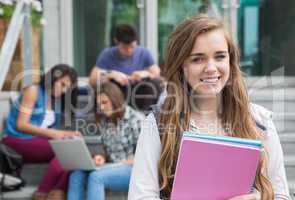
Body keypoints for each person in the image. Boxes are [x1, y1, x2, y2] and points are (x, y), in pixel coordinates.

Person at [128, 14, 291, 200]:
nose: (211, 68)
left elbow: (281, 195)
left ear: (230, 61)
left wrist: (257, 198)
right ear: (182, 66)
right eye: (198, 59)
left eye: (220, 56)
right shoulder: (158, 125)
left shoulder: (260, 121)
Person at [2, 64, 81, 200]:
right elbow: (21, 125)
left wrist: (68, 134)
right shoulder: (33, 91)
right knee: (66, 151)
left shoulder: (56, 101)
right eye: (62, 84)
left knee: (72, 149)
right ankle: (42, 192)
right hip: (16, 139)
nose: (63, 90)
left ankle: (57, 193)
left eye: (67, 88)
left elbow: (48, 130)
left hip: (36, 141)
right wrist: (54, 134)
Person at [67, 81, 145, 200]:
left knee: (96, 177)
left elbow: (146, 156)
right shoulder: (105, 120)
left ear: (115, 100)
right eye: (99, 104)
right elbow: (110, 150)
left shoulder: (136, 119)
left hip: (135, 170)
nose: (102, 108)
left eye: (105, 103)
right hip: (113, 166)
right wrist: (102, 157)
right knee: (76, 175)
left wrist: (124, 163)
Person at [89, 24, 162, 112]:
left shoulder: (143, 53)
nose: (129, 51)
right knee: (107, 85)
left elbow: (157, 75)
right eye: (125, 48)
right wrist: (110, 74)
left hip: (138, 94)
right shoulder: (107, 54)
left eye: (132, 47)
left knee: (155, 83)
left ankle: (147, 116)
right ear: (116, 42)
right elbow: (92, 80)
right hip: (118, 94)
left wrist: (146, 74)